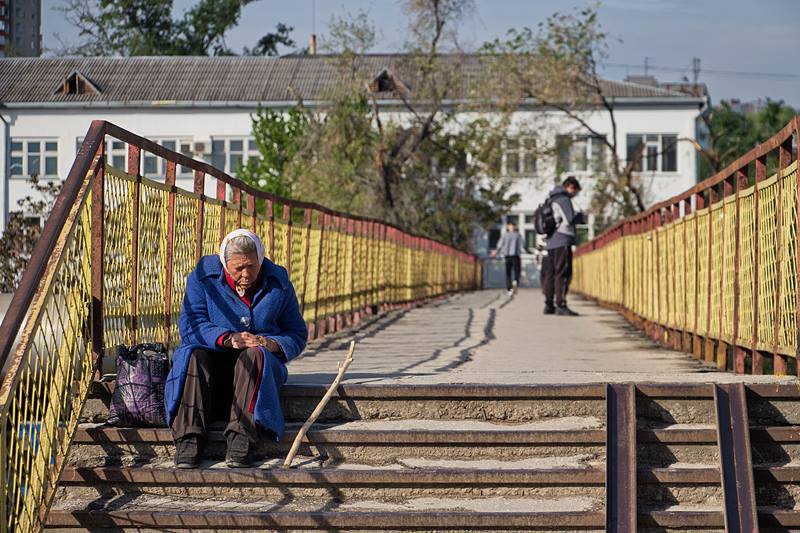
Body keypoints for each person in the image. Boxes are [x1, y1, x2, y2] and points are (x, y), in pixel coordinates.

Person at [164, 229, 308, 469]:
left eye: (251, 266)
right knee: (193, 354)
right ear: (223, 263)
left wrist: (270, 343)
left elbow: (296, 333)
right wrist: (227, 339)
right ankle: (188, 437)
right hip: (212, 368)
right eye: (238, 268)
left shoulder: (278, 283)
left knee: (254, 354)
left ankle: (242, 438)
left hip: (256, 370)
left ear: (260, 260)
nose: (246, 274)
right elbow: (191, 324)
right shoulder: (203, 277)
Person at [542, 176, 586, 316]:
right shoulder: (564, 199)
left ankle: (549, 305)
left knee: (550, 273)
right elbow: (568, 220)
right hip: (562, 239)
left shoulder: (551, 198)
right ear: (570, 187)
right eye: (576, 192)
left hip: (550, 241)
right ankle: (561, 304)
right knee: (563, 272)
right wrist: (580, 217)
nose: (575, 195)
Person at [491, 221, 526, 295]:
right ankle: (515, 281)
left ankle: (509, 288)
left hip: (508, 255)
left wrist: (496, 251)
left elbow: (500, 244)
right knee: (516, 270)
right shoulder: (518, 235)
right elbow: (522, 244)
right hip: (515, 255)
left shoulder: (505, 235)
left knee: (508, 272)